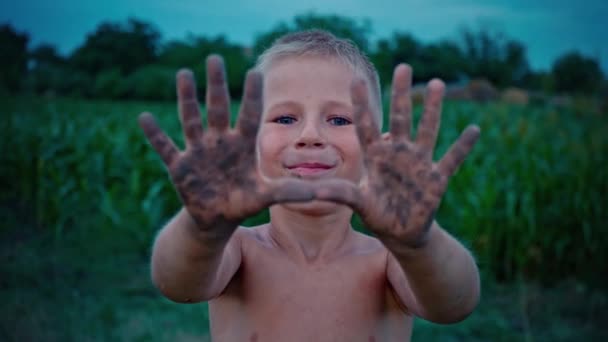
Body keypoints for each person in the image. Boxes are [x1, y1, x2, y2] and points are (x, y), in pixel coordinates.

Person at [139, 30, 481, 341]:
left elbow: (453, 306)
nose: (311, 136)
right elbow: (177, 283)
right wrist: (203, 229)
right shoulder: (238, 250)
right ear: (249, 141)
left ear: (380, 146)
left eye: (339, 119)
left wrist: (419, 244)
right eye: (285, 118)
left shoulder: (390, 261)